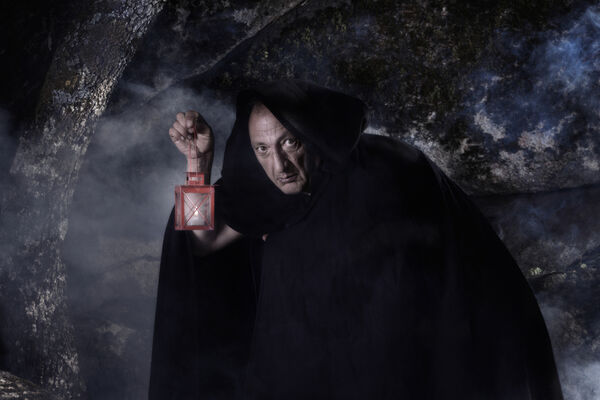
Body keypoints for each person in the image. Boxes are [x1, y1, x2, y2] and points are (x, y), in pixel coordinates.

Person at [149, 79, 564, 400]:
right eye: (262, 148)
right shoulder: (266, 194)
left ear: (313, 135)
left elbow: (458, 264)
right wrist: (197, 164)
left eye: (289, 142)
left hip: (388, 373)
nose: (279, 164)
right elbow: (200, 243)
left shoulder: (386, 169)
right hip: (292, 374)